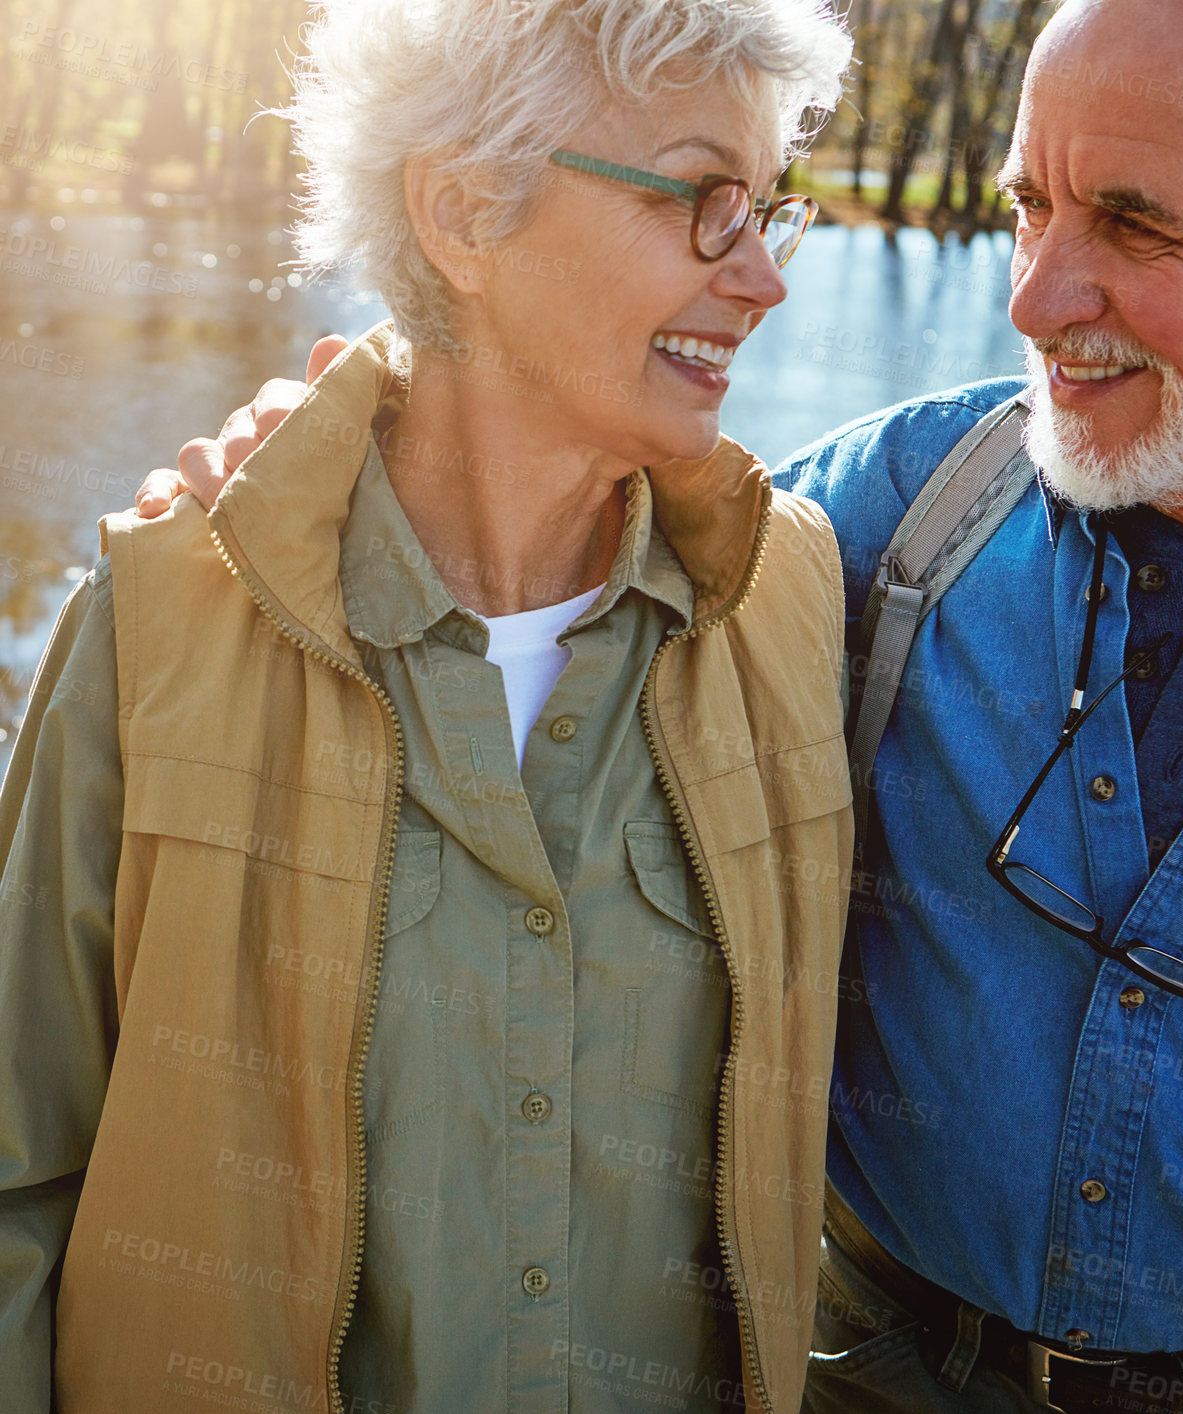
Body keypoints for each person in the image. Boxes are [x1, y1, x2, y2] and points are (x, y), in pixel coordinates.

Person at [145, 0, 1183, 1410]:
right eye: (1026, 206)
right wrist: (330, 458)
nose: (1034, 296)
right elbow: (541, 508)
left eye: (1135, 226)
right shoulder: (879, 520)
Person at [0, 1, 857, 1410]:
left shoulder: (797, 592)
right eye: (703, 202)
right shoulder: (166, 609)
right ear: (463, 212)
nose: (761, 276)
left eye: (769, 208)